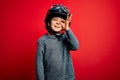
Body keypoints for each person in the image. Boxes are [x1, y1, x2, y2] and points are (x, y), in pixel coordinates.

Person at [36, 4, 79, 80]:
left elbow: (75, 46)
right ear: (49, 22)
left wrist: (67, 29)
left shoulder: (65, 37)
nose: (58, 23)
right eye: (55, 19)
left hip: (67, 78)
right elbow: (39, 65)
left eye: (62, 21)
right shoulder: (42, 41)